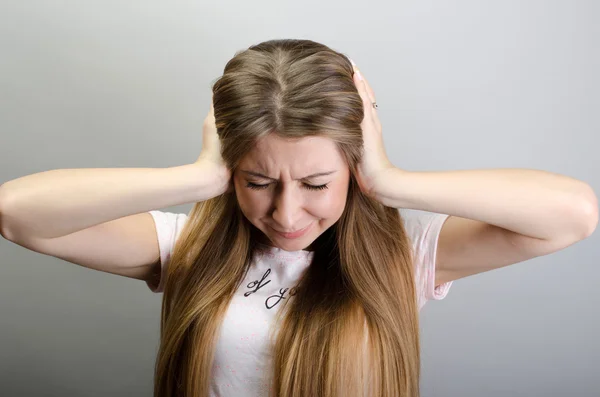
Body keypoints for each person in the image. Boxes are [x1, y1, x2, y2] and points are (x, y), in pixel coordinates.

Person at [0, 39, 596, 397]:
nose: (287, 213)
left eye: (316, 183)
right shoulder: (187, 248)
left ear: (353, 168)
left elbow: (571, 215)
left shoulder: (405, 255)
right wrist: (199, 178)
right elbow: (18, 214)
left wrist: (391, 182)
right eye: (258, 182)